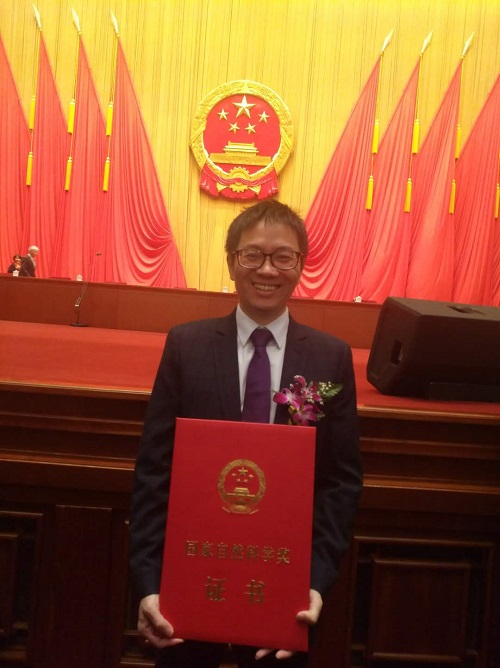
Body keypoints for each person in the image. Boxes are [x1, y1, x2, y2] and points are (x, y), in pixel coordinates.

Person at [129, 200, 363, 668]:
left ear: (301, 265)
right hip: (188, 594)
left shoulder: (330, 357)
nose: (267, 269)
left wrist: (315, 584)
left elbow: (339, 482)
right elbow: (155, 472)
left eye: (283, 256)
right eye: (253, 254)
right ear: (231, 261)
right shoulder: (186, 346)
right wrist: (151, 585)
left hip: (284, 596)